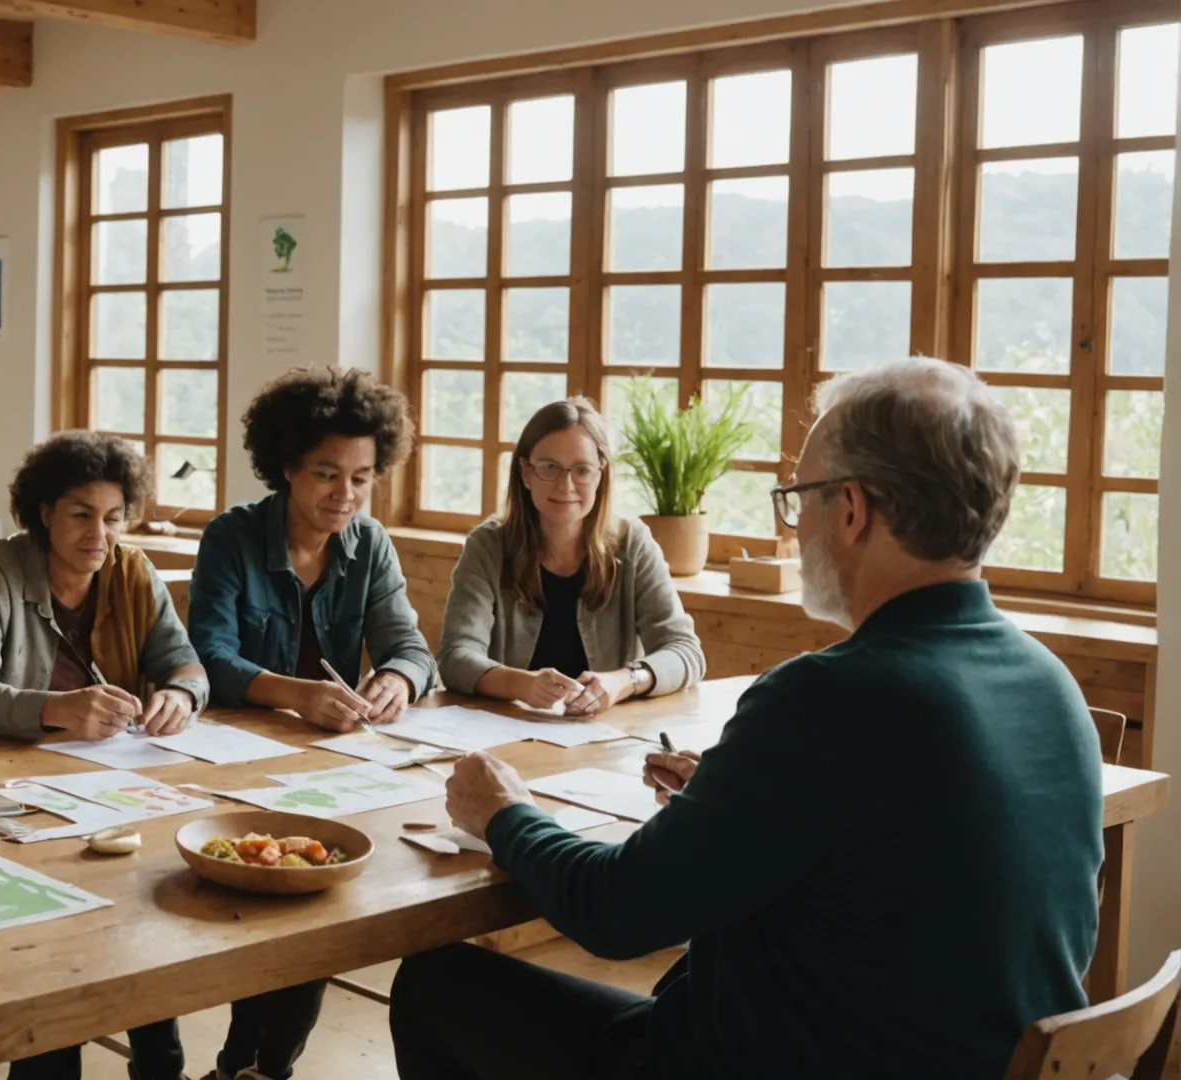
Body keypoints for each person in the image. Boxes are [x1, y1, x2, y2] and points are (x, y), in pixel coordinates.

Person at [394, 357, 1103, 1079]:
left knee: (430, 985)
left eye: (799, 498)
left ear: (852, 510)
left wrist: (503, 813)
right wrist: (737, 793)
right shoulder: (1054, 687)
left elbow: (614, 912)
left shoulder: (825, 699)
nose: (795, 524)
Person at [187, 365, 437, 1080]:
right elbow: (207, 654)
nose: (346, 495)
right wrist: (293, 694)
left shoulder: (372, 545)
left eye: (362, 477)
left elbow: (413, 648)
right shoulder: (232, 537)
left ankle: (259, 1067)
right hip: (226, 764)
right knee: (276, 898)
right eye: (328, 474)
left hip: (330, 769)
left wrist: (396, 678)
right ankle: (247, 1063)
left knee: (318, 898)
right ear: (287, 466)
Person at [0, 431, 207, 1080]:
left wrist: (179, 693)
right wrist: (56, 708)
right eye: (82, 515)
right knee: (56, 938)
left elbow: (188, 666)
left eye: (115, 518)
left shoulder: (133, 571)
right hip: (14, 798)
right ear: (44, 513)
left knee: (147, 906)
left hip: (115, 791)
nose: (100, 534)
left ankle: (158, 1053)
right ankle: (51, 1060)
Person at [439, 398, 703, 716]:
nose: (566, 485)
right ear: (526, 474)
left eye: (581, 470)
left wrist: (624, 681)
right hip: (503, 732)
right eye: (549, 468)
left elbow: (685, 652)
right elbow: (455, 657)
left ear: (599, 475)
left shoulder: (633, 543)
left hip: (606, 737)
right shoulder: (488, 545)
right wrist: (522, 685)